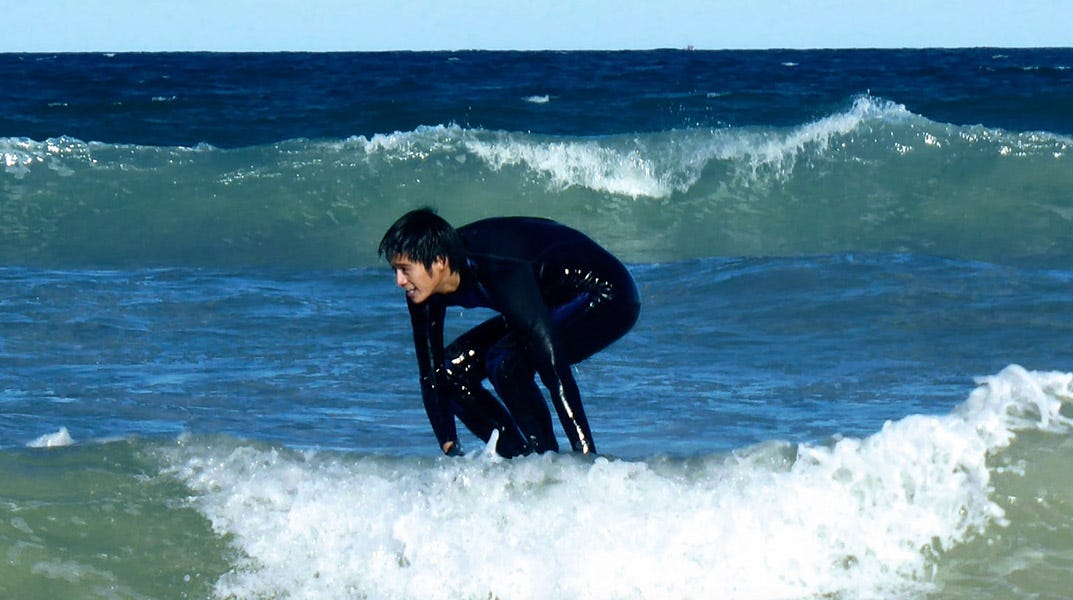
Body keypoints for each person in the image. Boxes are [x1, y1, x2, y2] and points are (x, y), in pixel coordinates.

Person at [378, 207, 640, 458]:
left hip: (607, 295)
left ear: (439, 261)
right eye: (395, 270)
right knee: (451, 371)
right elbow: (431, 372)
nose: (399, 281)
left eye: (405, 269)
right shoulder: (420, 290)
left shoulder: (497, 267)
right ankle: (519, 460)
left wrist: (584, 452)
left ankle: (546, 458)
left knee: (506, 362)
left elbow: (552, 366)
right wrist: (449, 443)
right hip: (545, 301)